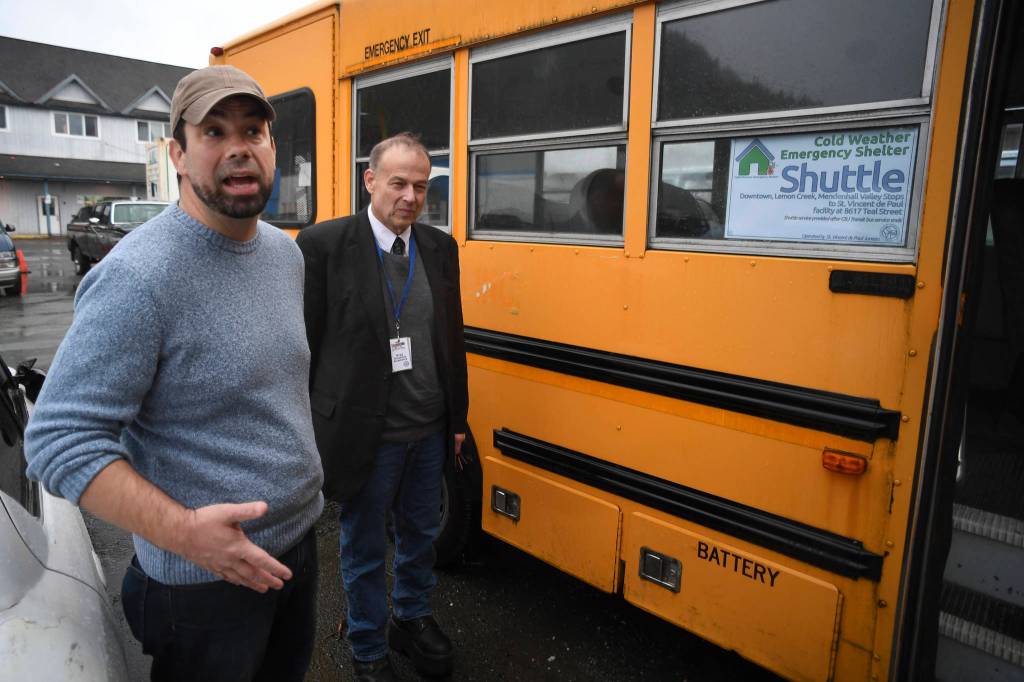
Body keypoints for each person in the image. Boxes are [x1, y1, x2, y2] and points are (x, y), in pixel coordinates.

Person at [23, 65, 324, 682]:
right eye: (214, 131)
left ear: (272, 147)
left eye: (253, 129)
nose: (239, 146)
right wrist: (187, 534)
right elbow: (57, 443)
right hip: (203, 590)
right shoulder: (139, 277)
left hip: (297, 552)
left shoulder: (284, 253)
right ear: (179, 155)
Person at [296, 132, 468, 682]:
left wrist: (457, 420)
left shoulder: (439, 249)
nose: (411, 196)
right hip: (365, 435)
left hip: (429, 428)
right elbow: (306, 343)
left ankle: (410, 620)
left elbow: (452, 340)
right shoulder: (324, 246)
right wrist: (310, 427)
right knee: (364, 547)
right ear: (370, 182)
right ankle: (368, 646)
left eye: (421, 185)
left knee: (419, 537)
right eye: (398, 183)